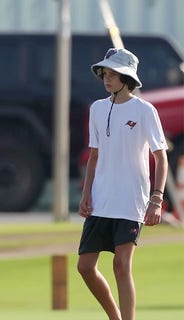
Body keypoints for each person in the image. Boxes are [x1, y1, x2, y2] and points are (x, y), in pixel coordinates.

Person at [78, 48, 169, 320]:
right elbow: (94, 156)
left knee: (121, 264)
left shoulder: (145, 110)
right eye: (105, 74)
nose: (107, 79)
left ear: (127, 77)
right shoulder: (96, 108)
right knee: (85, 266)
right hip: (100, 199)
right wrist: (85, 195)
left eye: (113, 74)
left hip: (131, 200)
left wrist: (156, 199)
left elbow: (160, 157)